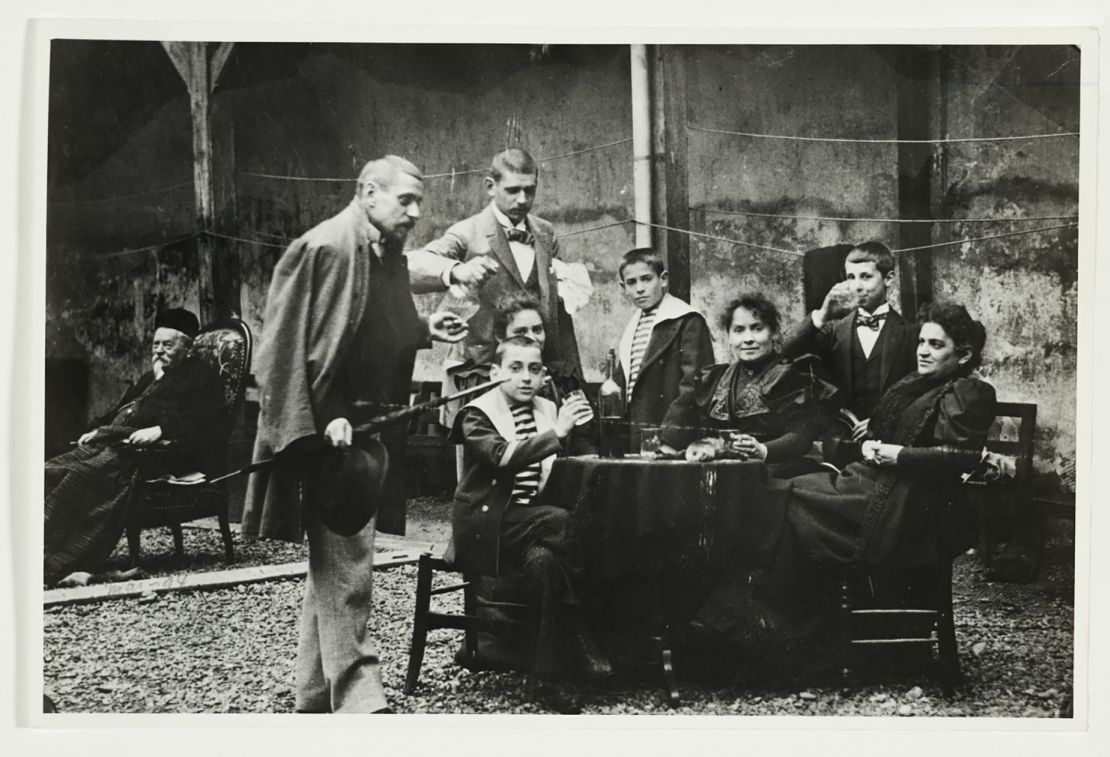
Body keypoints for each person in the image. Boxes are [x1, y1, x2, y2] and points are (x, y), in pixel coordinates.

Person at [241, 155, 467, 714]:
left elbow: (369, 326)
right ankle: (360, 696)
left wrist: (424, 327)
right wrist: (326, 415)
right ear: (368, 192)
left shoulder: (382, 252)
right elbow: (286, 351)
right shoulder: (323, 248)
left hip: (370, 426)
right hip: (331, 432)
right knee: (349, 558)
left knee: (338, 552)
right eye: (405, 201)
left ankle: (313, 693)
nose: (415, 214)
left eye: (420, 203)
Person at [693, 303, 997, 649]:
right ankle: (752, 622)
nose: (924, 351)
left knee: (783, 501)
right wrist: (871, 442)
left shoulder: (969, 391)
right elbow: (900, 430)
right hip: (876, 483)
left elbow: (960, 456)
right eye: (922, 342)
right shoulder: (919, 383)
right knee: (777, 494)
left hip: (907, 504)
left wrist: (896, 454)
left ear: (964, 353)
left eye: (936, 345)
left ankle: (779, 631)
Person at [450, 336, 609, 710]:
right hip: (488, 525)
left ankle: (547, 677)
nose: (526, 378)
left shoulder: (547, 408)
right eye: (515, 368)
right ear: (495, 373)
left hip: (531, 526)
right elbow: (501, 456)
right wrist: (559, 433)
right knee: (566, 524)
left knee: (545, 562)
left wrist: (582, 429)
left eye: (535, 370)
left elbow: (568, 462)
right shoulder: (476, 412)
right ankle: (584, 636)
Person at [407, 147, 585, 451]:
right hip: (484, 376)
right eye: (512, 190)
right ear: (490, 186)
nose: (522, 200)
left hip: (534, 375)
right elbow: (412, 267)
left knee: (538, 461)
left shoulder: (545, 232)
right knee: (487, 471)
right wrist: (456, 270)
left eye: (530, 191)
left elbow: (554, 311)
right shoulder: (466, 233)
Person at [44, 308, 224, 586]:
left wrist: (160, 430)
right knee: (50, 470)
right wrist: (97, 429)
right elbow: (122, 408)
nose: (160, 351)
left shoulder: (201, 375)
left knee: (79, 479)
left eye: (168, 344)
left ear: (188, 349)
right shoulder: (152, 376)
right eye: (156, 344)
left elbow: (204, 423)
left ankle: (57, 561)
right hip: (117, 445)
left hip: (161, 454)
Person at [658, 293, 838, 478]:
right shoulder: (713, 379)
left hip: (777, 474)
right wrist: (669, 448)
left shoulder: (793, 376)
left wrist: (762, 450)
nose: (748, 339)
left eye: (757, 328)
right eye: (738, 330)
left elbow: (801, 436)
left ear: (774, 333)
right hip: (724, 476)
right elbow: (682, 422)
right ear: (728, 337)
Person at [781, 241, 917, 464]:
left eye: (866, 276)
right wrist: (823, 313)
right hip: (841, 445)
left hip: (891, 445)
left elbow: (919, 393)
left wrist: (883, 419)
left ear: (889, 279)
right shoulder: (834, 329)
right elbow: (786, 352)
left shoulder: (911, 333)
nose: (857, 286)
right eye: (851, 278)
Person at [612, 247, 714, 451]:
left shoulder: (685, 320)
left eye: (646, 279)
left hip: (672, 436)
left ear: (663, 279)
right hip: (637, 431)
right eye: (631, 282)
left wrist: (670, 440)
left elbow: (693, 386)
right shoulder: (632, 327)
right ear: (623, 287)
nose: (639, 288)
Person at [494, 294, 596, 454]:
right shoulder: (493, 381)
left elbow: (583, 440)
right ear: (500, 337)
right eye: (520, 331)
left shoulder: (565, 377)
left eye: (537, 329)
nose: (531, 337)